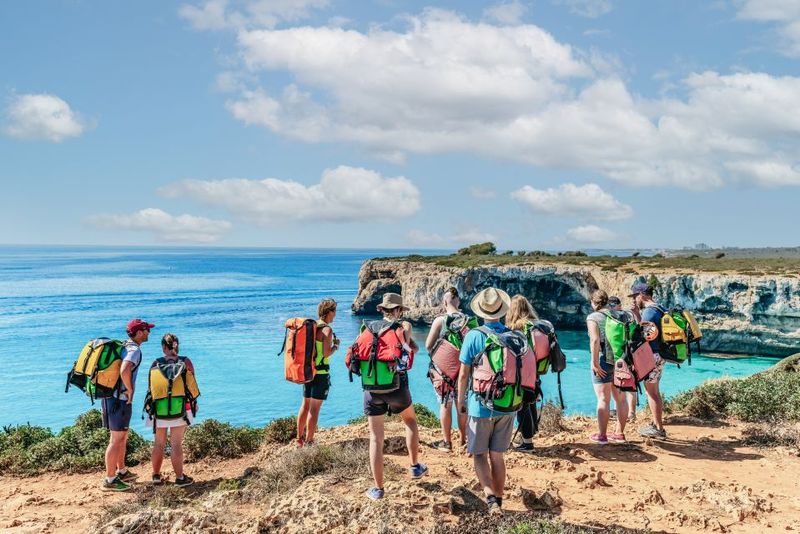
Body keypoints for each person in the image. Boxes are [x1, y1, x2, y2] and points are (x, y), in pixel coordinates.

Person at [456, 287, 514, 514]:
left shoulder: (473, 335)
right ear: (502, 311)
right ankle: (498, 501)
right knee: (497, 455)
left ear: (481, 312)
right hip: (507, 405)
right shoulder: (512, 335)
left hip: (480, 404)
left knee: (480, 454)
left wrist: (461, 402)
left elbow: (463, 374)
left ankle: (490, 499)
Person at [364, 293, 427, 500]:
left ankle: (378, 489)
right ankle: (415, 467)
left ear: (382, 310)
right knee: (409, 421)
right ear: (399, 310)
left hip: (372, 388)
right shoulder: (405, 326)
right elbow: (411, 348)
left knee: (375, 437)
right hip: (397, 385)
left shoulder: (366, 327)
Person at [101, 318, 153, 491]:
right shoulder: (134, 350)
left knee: (122, 436)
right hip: (119, 399)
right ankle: (110, 480)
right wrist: (130, 390)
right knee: (116, 439)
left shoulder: (124, 345)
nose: (148, 333)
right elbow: (124, 369)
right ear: (139, 332)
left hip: (112, 398)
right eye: (146, 330)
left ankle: (121, 471)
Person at [148, 333, 198, 487]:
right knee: (176, 444)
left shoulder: (156, 363)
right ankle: (180, 478)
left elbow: (151, 388)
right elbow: (192, 384)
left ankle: (156, 476)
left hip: (159, 409)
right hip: (181, 408)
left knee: (159, 443)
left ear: (163, 347)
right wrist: (195, 403)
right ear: (177, 345)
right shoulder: (185, 361)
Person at [424, 287, 469, 451]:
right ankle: (464, 441)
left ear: (444, 302)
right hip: (464, 371)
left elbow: (428, 346)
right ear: (458, 301)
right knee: (461, 403)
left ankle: (447, 442)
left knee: (445, 404)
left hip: (442, 373)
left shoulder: (440, 321)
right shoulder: (470, 321)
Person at [586, 291, 628, 445]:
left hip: (604, 360)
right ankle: (619, 433)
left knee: (603, 399)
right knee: (621, 398)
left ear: (594, 302)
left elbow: (595, 340)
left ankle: (602, 436)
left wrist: (594, 362)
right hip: (621, 360)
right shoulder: (619, 314)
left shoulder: (593, 317)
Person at [297, 299, 339, 447]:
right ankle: (309, 441)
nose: (335, 315)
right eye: (334, 311)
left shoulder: (311, 327)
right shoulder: (326, 330)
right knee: (314, 408)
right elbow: (326, 353)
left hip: (308, 371)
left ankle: (299, 439)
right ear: (329, 312)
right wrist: (335, 347)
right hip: (320, 373)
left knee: (305, 405)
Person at [629, 282, 667, 439]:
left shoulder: (649, 313)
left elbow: (643, 336)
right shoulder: (660, 308)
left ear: (642, 295)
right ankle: (655, 422)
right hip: (660, 354)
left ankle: (659, 429)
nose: (634, 299)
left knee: (651, 393)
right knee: (654, 391)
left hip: (652, 356)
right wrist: (638, 315)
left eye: (635, 296)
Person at [505, 294, 539, 454]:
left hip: (522, 373)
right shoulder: (535, 324)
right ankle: (530, 435)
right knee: (530, 401)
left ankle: (527, 443)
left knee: (522, 405)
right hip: (535, 371)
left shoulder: (517, 328)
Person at [610, 296, 638, 422]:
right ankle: (630, 413)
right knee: (630, 384)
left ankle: (625, 412)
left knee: (620, 385)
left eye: (614, 305)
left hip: (617, 357)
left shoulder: (610, 320)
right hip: (630, 356)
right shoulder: (630, 318)